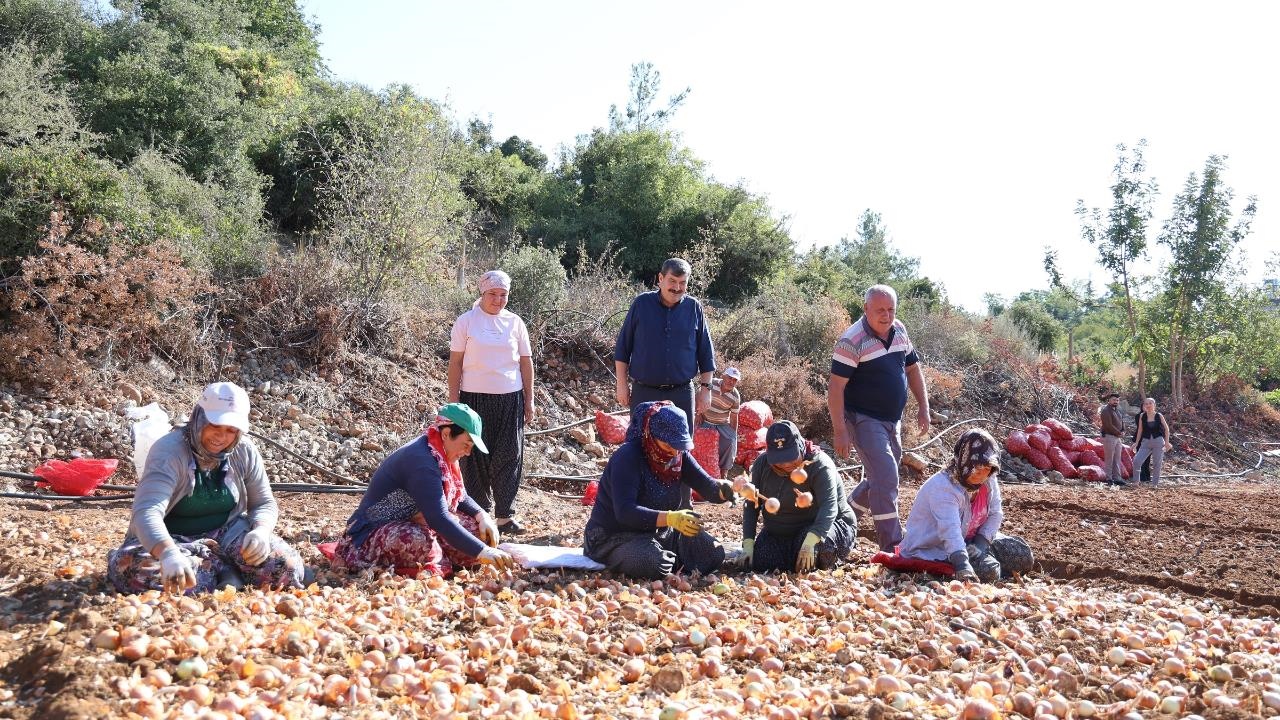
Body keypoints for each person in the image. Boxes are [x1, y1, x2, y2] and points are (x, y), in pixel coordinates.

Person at [108, 382, 304, 594]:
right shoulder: (169, 451)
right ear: (199, 417)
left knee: (285, 567)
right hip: (171, 538)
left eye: (231, 430)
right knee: (137, 569)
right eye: (215, 425)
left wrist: (261, 532)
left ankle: (215, 570)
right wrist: (167, 553)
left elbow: (264, 503)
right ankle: (223, 570)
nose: (221, 436)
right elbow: (147, 511)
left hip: (226, 532)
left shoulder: (244, 451)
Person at [335, 404, 513, 577]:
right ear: (446, 434)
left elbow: (461, 495)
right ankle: (437, 558)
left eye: (471, 447)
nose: (467, 453)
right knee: (420, 541)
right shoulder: (422, 461)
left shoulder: (443, 454)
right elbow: (439, 518)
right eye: (466, 444)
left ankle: (444, 554)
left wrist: (482, 515)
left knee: (479, 532)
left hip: (419, 519)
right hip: (372, 531)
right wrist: (483, 551)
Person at [827, 285, 931, 552]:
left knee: (881, 477)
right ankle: (893, 544)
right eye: (880, 310)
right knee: (886, 476)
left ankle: (844, 518)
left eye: (891, 309)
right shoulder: (852, 340)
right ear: (866, 309)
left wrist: (923, 406)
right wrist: (840, 429)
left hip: (892, 420)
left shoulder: (900, 330)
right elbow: (836, 387)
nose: (886, 316)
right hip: (863, 419)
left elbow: (913, 369)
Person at [583, 401, 739, 579]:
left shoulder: (679, 456)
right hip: (614, 537)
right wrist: (671, 518)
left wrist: (728, 490)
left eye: (678, 446)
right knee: (651, 562)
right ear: (650, 434)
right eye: (668, 445)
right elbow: (625, 512)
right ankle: (668, 561)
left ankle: (669, 560)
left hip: (659, 533)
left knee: (714, 553)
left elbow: (708, 487)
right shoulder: (628, 457)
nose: (673, 452)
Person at [449, 270, 535, 535]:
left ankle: (505, 515)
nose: (498, 300)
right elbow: (455, 363)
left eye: (503, 295)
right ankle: (479, 513)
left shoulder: (515, 323)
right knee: (473, 455)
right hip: (474, 399)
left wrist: (529, 399)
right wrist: (454, 404)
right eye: (493, 294)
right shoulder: (466, 322)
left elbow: (525, 362)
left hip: (510, 398)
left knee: (510, 454)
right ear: (482, 294)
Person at [897, 428, 1034, 582]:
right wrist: (962, 564)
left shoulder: (989, 480)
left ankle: (986, 558)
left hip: (971, 541)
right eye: (977, 467)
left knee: (1024, 556)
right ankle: (978, 565)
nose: (982, 474)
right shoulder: (943, 487)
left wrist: (980, 545)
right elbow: (950, 531)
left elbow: (995, 513)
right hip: (937, 548)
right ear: (964, 461)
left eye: (987, 468)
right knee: (989, 573)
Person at [734, 420, 856, 573]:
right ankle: (792, 558)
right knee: (760, 563)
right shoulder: (761, 465)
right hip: (779, 533)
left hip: (823, 527)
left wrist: (810, 542)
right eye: (778, 459)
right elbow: (751, 504)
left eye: (790, 457)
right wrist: (748, 544)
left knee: (813, 551)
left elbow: (829, 507)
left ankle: (821, 557)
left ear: (800, 445)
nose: (785, 464)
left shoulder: (820, 465)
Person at [698, 366, 742, 478]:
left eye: (734, 380)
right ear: (723, 376)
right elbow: (699, 396)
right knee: (696, 437)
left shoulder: (735, 396)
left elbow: (733, 417)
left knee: (730, 443)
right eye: (729, 378)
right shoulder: (712, 383)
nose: (731, 381)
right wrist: (697, 413)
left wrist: (733, 434)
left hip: (722, 423)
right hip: (705, 419)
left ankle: (724, 470)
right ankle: (696, 466)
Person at [1131, 397, 1172, 486]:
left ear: (1154, 405)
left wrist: (1167, 442)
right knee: (1137, 461)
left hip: (1158, 442)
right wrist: (1137, 442)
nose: (1148, 405)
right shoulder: (1142, 416)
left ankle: (1154, 484)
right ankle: (1136, 482)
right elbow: (1140, 430)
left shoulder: (1159, 415)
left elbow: (1166, 429)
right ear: (1144, 405)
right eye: (1146, 403)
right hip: (1145, 442)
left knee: (1157, 464)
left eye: (1150, 403)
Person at [1098, 391, 1127, 486]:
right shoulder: (1106, 411)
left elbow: (1122, 423)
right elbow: (1108, 425)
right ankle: (1109, 478)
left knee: (1117, 458)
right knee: (1109, 458)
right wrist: (1119, 433)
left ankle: (1117, 478)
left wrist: (1123, 430)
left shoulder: (1117, 411)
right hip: (1109, 436)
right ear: (1109, 400)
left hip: (1117, 437)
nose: (1116, 401)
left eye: (1117, 400)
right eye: (1114, 400)